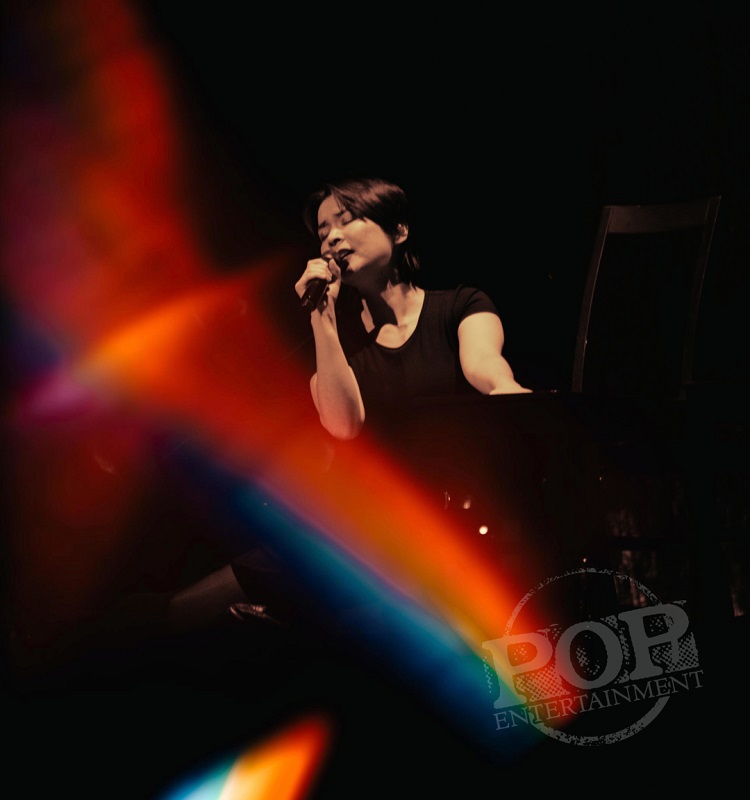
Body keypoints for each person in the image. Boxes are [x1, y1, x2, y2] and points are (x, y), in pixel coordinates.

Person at [293, 176, 531, 442]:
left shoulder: (462, 306)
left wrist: (505, 387)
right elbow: (343, 426)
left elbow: (483, 364)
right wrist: (322, 316)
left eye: (347, 220)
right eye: (323, 234)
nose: (332, 238)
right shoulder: (332, 342)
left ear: (398, 231)